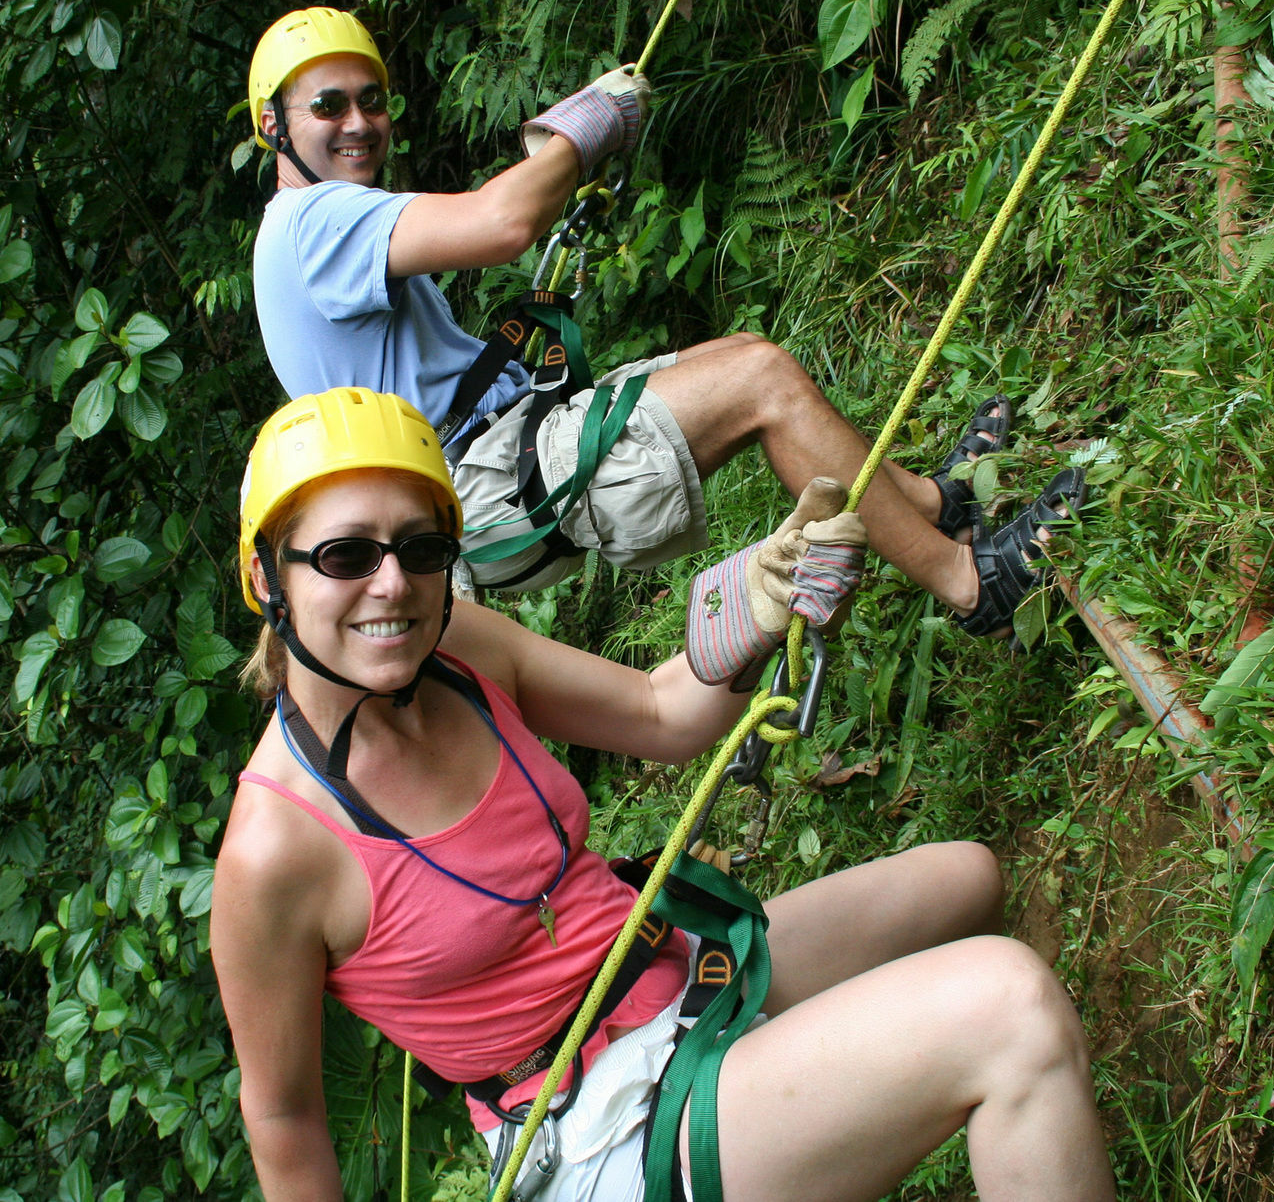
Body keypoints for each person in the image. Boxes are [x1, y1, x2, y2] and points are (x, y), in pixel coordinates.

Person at [209, 386, 1113, 1201]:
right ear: (267, 578)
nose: (393, 582)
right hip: (599, 1125)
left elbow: (658, 709)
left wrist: (762, 605)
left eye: (420, 546)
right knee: (1011, 1010)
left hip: (668, 965)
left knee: (967, 879)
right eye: (344, 554)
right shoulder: (276, 848)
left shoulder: (459, 654)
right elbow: (283, 1119)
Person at [245, 7, 1073, 640]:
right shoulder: (311, 221)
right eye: (328, 104)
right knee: (762, 384)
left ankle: (932, 506)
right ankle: (970, 584)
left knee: (748, 358)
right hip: (486, 479)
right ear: (274, 124)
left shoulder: (307, 232)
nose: (357, 121)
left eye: (371, 99)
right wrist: (584, 127)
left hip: (490, 461)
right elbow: (501, 224)